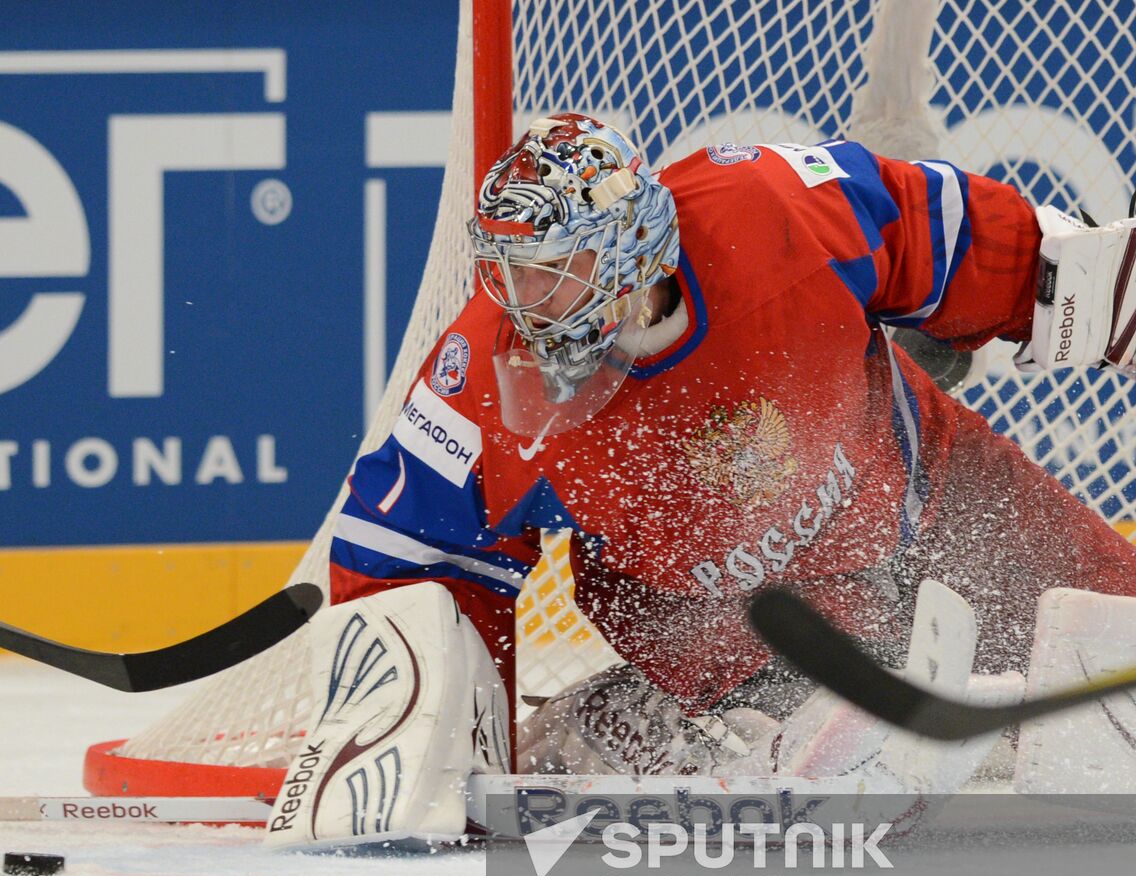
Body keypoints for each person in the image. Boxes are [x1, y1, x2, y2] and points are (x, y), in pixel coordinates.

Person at [324, 112, 1136, 778]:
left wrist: (1091, 289)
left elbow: (931, 228)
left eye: (556, 270)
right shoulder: (485, 375)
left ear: (631, 250)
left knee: (1119, 646)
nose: (528, 305)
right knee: (889, 749)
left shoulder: (766, 205)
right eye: (514, 273)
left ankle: (634, 720)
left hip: (941, 499)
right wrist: (410, 737)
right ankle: (676, 726)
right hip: (731, 627)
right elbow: (409, 553)